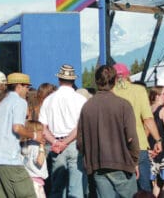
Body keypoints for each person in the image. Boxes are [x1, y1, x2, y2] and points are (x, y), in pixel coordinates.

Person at [77, 65, 139, 198]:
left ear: (96, 81)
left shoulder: (87, 107)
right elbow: (132, 137)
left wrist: (89, 158)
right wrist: (134, 161)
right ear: (115, 80)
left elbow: (80, 141)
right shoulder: (123, 105)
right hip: (122, 164)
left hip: (98, 165)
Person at [0, 72, 42, 198]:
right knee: (28, 195)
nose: (27, 91)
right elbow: (17, 127)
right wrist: (35, 135)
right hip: (9, 159)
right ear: (19, 86)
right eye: (26, 87)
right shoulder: (20, 102)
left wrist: (0, 134)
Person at [39, 64, 88, 197]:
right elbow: (81, 127)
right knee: (76, 189)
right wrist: (66, 141)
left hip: (55, 145)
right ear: (73, 81)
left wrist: (56, 142)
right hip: (74, 144)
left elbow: (42, 128)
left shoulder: (48, 100)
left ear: (59, 80)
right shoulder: (81, 100)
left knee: (57, 188)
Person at [113, 63, 163, 192]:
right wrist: (158, 140)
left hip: (116, 148)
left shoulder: (110, 92)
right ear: (128, 75)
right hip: (138, 145)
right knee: (144, 188)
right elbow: (147, 118)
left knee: (121, 188)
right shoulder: (139, 90)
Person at [21, 120, 49, 198]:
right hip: (36, 183)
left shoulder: (24, 145)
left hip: (26, 180)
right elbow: (39, 162)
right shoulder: (36, 146)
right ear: (34, 133)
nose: (43, 133)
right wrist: (42, 147)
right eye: (40, 131)